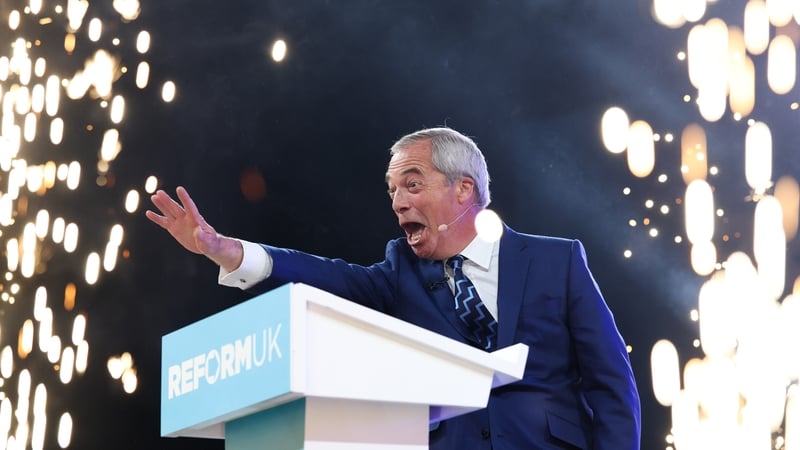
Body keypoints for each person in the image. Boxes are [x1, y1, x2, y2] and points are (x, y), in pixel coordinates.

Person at [146, 127, 641, 450]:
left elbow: (612, 382)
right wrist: (229, 251)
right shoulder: (398, 272)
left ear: (463, 189)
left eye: (412, 184)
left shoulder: (559, 260)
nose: (398, 202)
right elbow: (326, 276)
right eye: (392, 191)